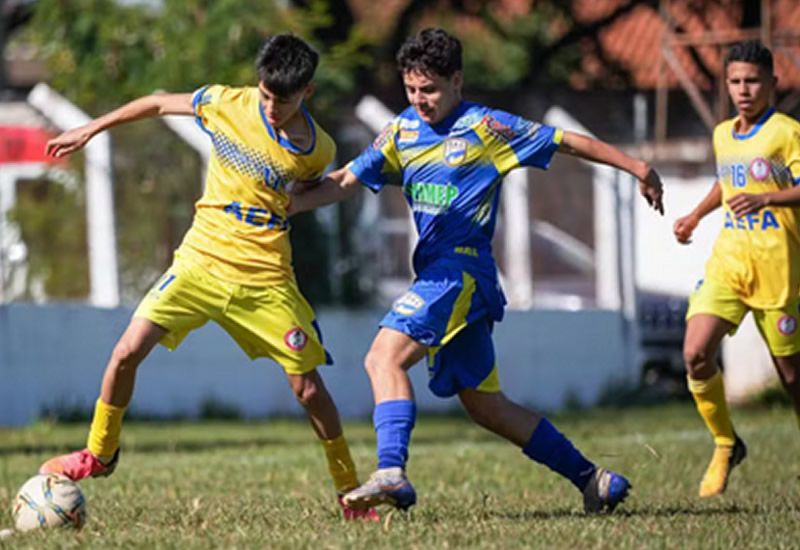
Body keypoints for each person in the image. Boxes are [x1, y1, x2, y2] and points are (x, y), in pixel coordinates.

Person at [288, 27, 664, 513]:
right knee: (485, 405)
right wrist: (284, 205)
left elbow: (564, 141)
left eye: (430, 90)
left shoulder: (486, 128)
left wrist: (636, 167)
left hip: (459, 272)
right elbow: (342, 181)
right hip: (441, 279)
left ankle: (391, 470)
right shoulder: (401, 131)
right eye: (411, 89)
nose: (420, 100)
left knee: (383, 358)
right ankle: (594, 480)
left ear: (457, 81)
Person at [38, 34, 377, 521]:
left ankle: (349, 491)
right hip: (200, 262)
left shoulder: (317, 148)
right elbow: (156, 103)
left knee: (306, 389)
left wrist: (308, 198)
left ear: (308, 92)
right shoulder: (224, 102)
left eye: (282, 100)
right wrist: (91, 127)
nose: (271, 107)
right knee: (126, 352)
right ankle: (99, 454)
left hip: (266, 280)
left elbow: (305, 191)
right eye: (264, 95)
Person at [673, 40, 800, 498]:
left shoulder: (786, 132)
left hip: (778, 270)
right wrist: (695, 214)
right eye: (735, 81)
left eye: (752, 81)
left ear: (772, 83)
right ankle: (726, 443)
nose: (743, 90)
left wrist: (767, 197)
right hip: (729, 263)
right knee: (695, 353)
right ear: (726, 85)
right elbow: (728, 182)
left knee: (791, 377)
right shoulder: (723, 133)